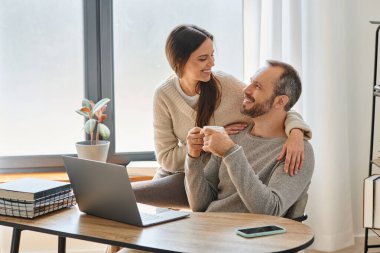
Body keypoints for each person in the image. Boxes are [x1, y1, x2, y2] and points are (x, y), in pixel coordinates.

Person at [132, 24, 311, 209]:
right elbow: (166, 158)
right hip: (180, 171)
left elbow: (273, 107)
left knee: (131, 195)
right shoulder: (164, 95)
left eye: (212, 55)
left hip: (213, 177)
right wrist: (205, 144)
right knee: (129, 200)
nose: (212, 63)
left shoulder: (223, 85)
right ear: (179, 62)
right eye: (203, 58)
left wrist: (296, 132)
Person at [184, 60, 314, 218]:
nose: (246, 89)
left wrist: (231, 152)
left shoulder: (297, 150)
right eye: (251, 82)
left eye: (257, 86)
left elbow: (270, 210)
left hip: (250, 240)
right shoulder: (234, 135)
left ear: (280, 101)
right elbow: (199, 205)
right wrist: (193, 157)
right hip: (209, 229)